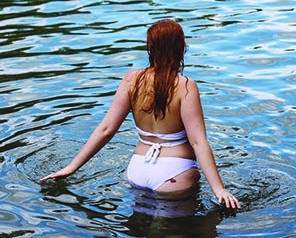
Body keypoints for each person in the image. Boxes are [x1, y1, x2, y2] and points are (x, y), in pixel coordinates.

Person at [40, 18, 240, 208]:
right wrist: (219, 189)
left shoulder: (131, 80)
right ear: (181, 48)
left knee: (139, 229)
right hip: (175, 173)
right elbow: (198, 142)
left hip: (137, 169)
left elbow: (106, 130)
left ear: (151, 48)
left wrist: (72, 167)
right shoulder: (186, 86)